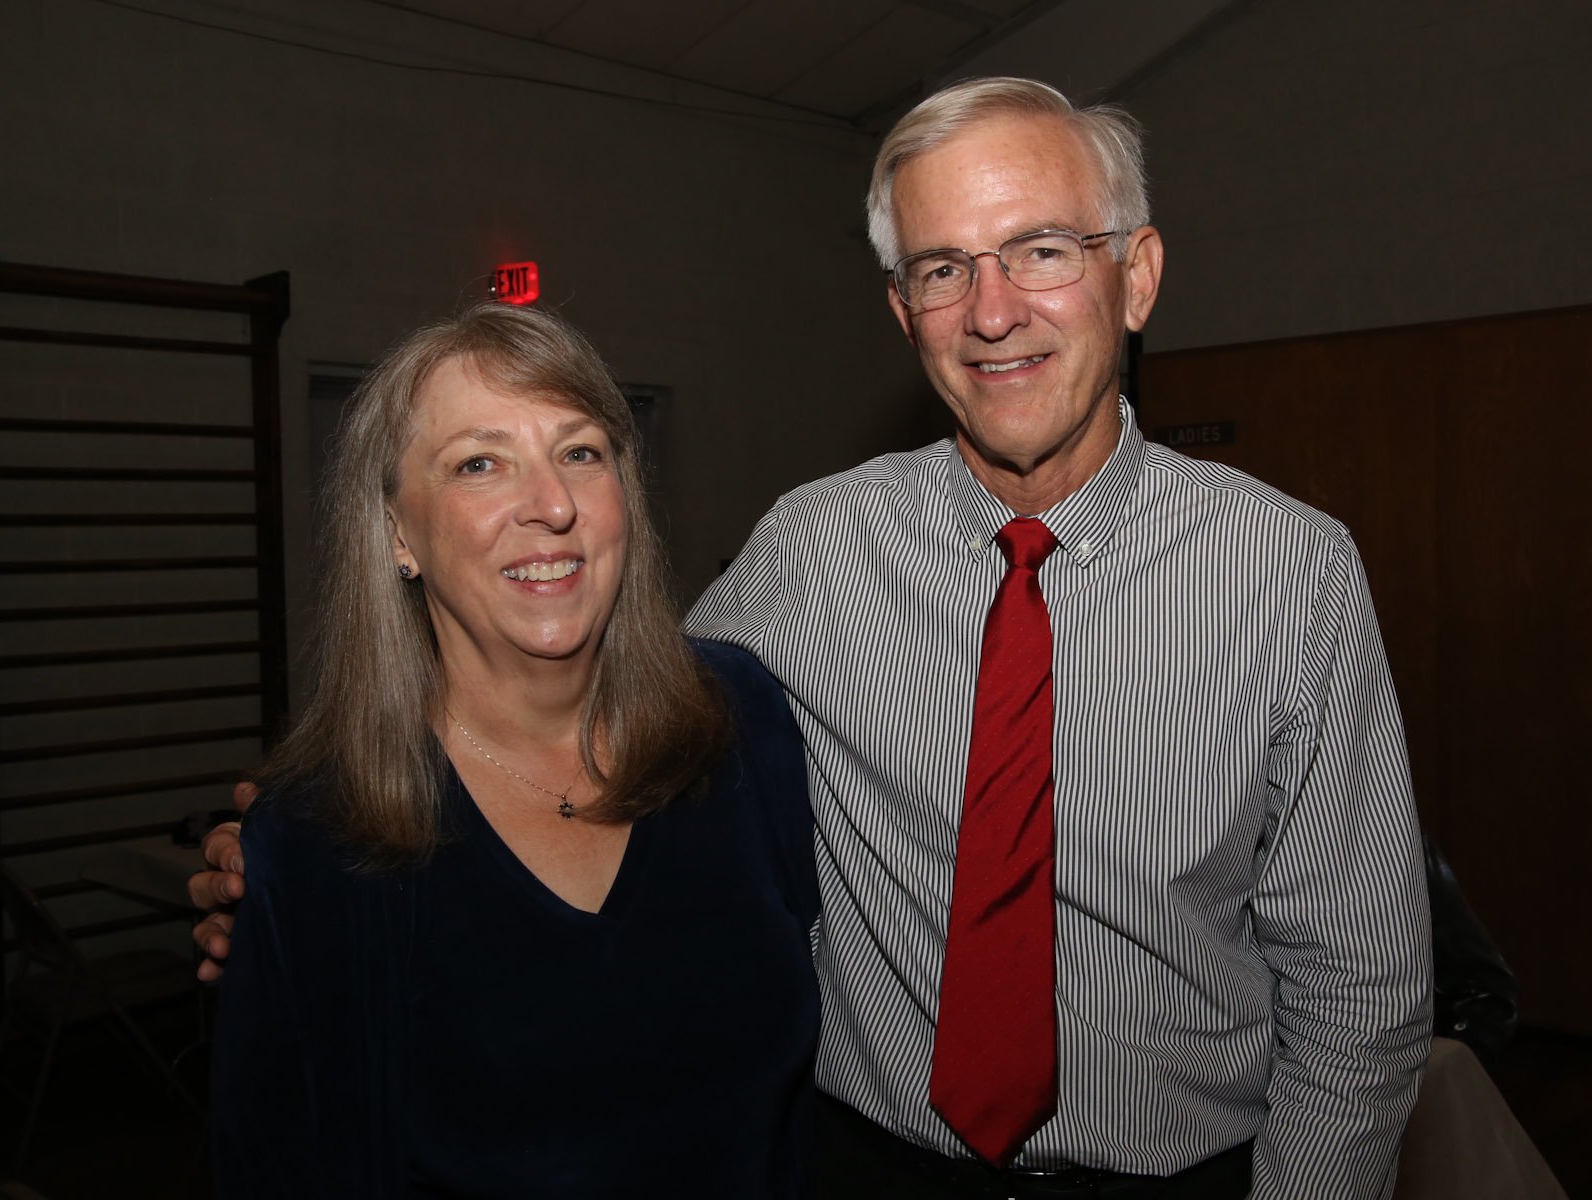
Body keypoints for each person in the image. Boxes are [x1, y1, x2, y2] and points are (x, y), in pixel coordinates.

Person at [197, 78, 1430, 1199]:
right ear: (904, 310)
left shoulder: (1292, 576)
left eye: (1043, 250)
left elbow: (1361, 991)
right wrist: (299, 870)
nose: (993, 311)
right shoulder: (813, 550)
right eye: (943, 269)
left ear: (1138, 274)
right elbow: (607, 715)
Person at [205, 303, 819, 1198]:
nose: (552, 505)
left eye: (580, 453)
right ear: (397, 533)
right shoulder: (316, 836)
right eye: (479, 464)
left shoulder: (740, 719)